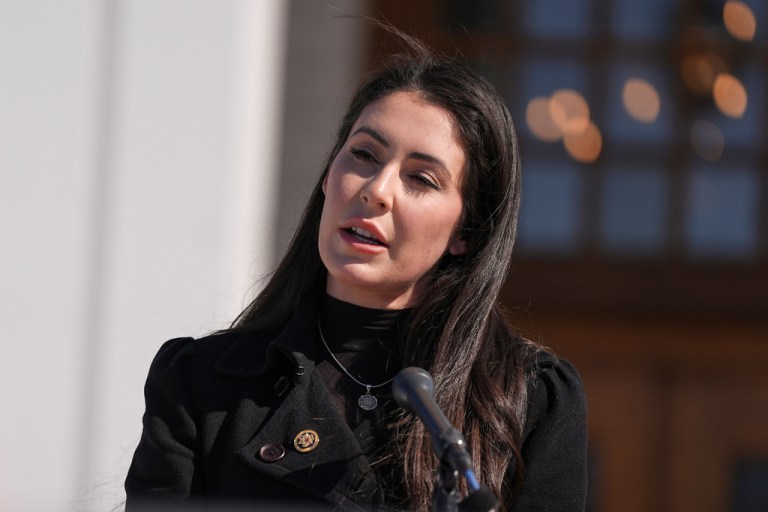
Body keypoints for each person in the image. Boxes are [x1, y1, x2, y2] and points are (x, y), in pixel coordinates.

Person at [125, 26, 587, 512]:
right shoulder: (202, 383)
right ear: (329, 174)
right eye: (364, 155)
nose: (376, 189)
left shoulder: (528, 402)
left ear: (464, 232)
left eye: (421, 179)